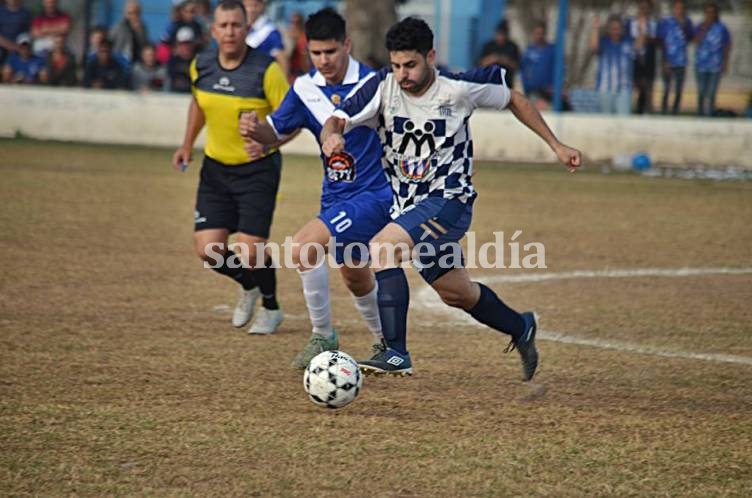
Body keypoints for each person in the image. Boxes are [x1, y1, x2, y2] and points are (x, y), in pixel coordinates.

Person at [320, 17, 582, 380]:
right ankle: (521, 326)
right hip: (409, 207)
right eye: (396, 65)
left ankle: (395, 352)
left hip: (450, 200)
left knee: (382, 248)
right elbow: (335, 119)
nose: (402, 74)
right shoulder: (381, 87)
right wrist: (331, 138)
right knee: (457, 292)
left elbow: (514, 99)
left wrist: (556, 144)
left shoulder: (458, 87)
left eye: (410, 65)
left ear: (430, 56)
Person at [239, 8, 392, 369]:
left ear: (347, 45)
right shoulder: (304, 88)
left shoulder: (372, 84)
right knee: (355, 275)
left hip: (375, 194)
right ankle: (388, 344)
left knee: (303, 246)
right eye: (316, 53)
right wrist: (254, 129)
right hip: (336, 197)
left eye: (330, 52)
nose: (323, 60)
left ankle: (322, 335)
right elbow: (275, 132)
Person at [171, 0, 290, 334]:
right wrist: (186, 143)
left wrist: (269, 142)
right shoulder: (201, 65)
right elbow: (198, 104)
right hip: (215, 169)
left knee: (251, 251)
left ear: (246, 28)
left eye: (236, 25)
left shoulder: (267, 70)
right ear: (213, 30)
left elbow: (292, 119)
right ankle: (247, 285)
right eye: (223, 26)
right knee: (208, 250)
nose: (229, 32)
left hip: (257, 170)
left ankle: (271, 307)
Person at [590, 15, 634, 115]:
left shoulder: (628, 42)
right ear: (608, 30)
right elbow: (593, 48)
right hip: (605, 90)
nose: (616, 31)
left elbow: (639, 46)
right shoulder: (604, 42)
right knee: (605, 122)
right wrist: (595, 29)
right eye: (613, 29)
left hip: (624, 90)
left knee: (624, 121)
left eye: (618, 28)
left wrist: (642, 27)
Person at [693, 2, 731, 117]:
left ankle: (710, 115)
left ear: (716, 14)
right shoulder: (700, 26)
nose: (710, 14)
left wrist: (725, 62)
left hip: (716, 65)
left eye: (712, 12)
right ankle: (700, 114)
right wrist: (704, 29)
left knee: (712, 92)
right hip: (701, 65)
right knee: (701, 91)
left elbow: (726, 46)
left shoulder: (722, 28)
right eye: (708, 12)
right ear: (705, 13)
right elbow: (695, 41)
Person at [657, 0, 693, 115]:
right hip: (668, 60)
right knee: (667, 88)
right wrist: (664, 60)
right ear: (673, 9)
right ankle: (664, 110)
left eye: (681, 8)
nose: (679, 11)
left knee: (678, 88)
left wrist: (684, 27)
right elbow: (661, 42)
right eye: (677, 8)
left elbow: (690, 38)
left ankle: (675, 111)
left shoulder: (687, 22)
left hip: (681, 61)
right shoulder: (666, 22)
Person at [626, 0, 658, 114]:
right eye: (642, 8)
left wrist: (647, 38)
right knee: (633, 85)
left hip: (647, 60)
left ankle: (643, 110)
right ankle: (628, 108)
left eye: (646, 8)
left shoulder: (653, 24)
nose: (644, 11)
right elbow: (625, 39)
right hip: (633, 59)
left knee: (646, 86)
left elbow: (657, 41)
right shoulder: (631, 23)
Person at [243, 0, 288, 76]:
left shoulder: (270, 31)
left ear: (261, 6)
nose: (251, 10)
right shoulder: (240, 27)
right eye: (247, 6)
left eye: (254, 6)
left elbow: (282, 60)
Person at [520, 20, 555, 108]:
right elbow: (523, 69)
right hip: (532, 90)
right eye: (537, 33)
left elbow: (558, 70)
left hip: (548, 91)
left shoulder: (552, 50)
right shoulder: (529, 50)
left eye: (541, 33)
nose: (539, 36)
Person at [478, 20, 519, 89]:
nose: (501, 37)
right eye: (499, 34)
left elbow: (516, 66)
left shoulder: (512, 47)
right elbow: (481, 64)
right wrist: (492, 59)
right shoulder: (489, 46)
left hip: (507, 84)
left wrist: (505, 61)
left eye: (503, 34)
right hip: (490, 84)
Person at [0, 0, 32, 66]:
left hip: (19, 47)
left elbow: (27, 34)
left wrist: (18, 47)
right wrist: (10, 46)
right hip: (2, 46)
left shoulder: (26, 14)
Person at [167, 26, 196, 93]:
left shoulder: (199, 61)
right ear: (178, 45)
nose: (185, 47)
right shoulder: (172, 61)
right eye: (182, 44)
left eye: (188, 43)